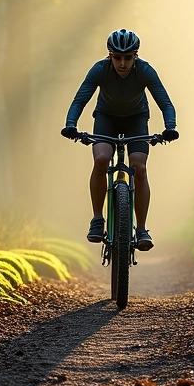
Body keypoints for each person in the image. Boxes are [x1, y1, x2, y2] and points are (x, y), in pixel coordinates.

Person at [61, 28, 178, 250]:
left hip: (136, 119)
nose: (122, 64)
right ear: (109, 56)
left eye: (127, 58)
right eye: (117, 58)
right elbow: (80, 100)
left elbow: (165, 103)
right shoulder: (99, 70)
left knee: (139, 166)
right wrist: (71, 125)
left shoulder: (145, 71)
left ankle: (141, 229)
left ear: (136, 56)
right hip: (106, 118)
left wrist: (170, 127)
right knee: (101, 159)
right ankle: (97, 219)